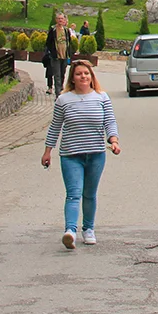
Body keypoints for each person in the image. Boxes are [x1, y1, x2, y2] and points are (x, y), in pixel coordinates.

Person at [41, 60, 120, 249]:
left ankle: (88, 229)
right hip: (71, 155)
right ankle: (70, 231)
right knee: (73, 194)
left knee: (90, 194)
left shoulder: (101, 97)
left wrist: (114, 141)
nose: (83, 76)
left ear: (91, 77)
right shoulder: (63, 100)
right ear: (73, 78)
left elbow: (109, 122)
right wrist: (47, 151)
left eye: (86, 73)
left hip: (95, 154)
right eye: (79, 74)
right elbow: (55, 127)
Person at [44, 13, 76, 95]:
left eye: (61, 18)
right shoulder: (53, 29)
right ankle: (58, 94)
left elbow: (69, 42)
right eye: (58, 18)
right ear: (56, 20)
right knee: (57, 75)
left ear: (64, 20)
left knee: (62, 74)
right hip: (56, 57)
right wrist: (53, 52)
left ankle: (61, 90)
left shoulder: (66, 30)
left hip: (64, 56)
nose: (60, 20)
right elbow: (48, 42)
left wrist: (69, 52)